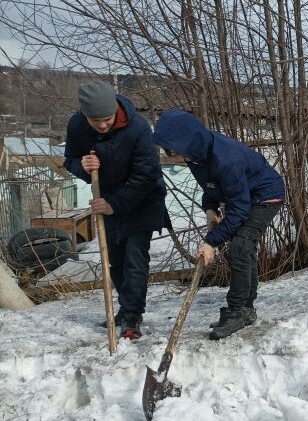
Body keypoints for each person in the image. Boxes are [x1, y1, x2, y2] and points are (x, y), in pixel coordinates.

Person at [151, 110, 285, 339]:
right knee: (242, 248)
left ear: (187, 142)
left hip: (265, 196)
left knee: (240, 247)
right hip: (245, 197)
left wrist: (211, 241)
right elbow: (211, 186)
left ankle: (239, 309)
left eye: (173, 150)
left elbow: (240, 208)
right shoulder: (195, 155)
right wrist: (210, 208)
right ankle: (246, 307)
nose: (172, 156)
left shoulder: (225, 158)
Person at [63, 81, 168, 339]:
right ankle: (125, 307)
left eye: (107, 119)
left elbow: (146, 175)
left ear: (115, 111)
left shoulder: (138, 128)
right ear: (85, 115)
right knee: (116, 260)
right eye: (95, 121)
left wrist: (115, 205)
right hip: (107, 199)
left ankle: (132, 315)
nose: (102, 126)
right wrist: (82, 166)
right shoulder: (77, 126)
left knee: (134, 259)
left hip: (142, 200)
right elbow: (70, 161)